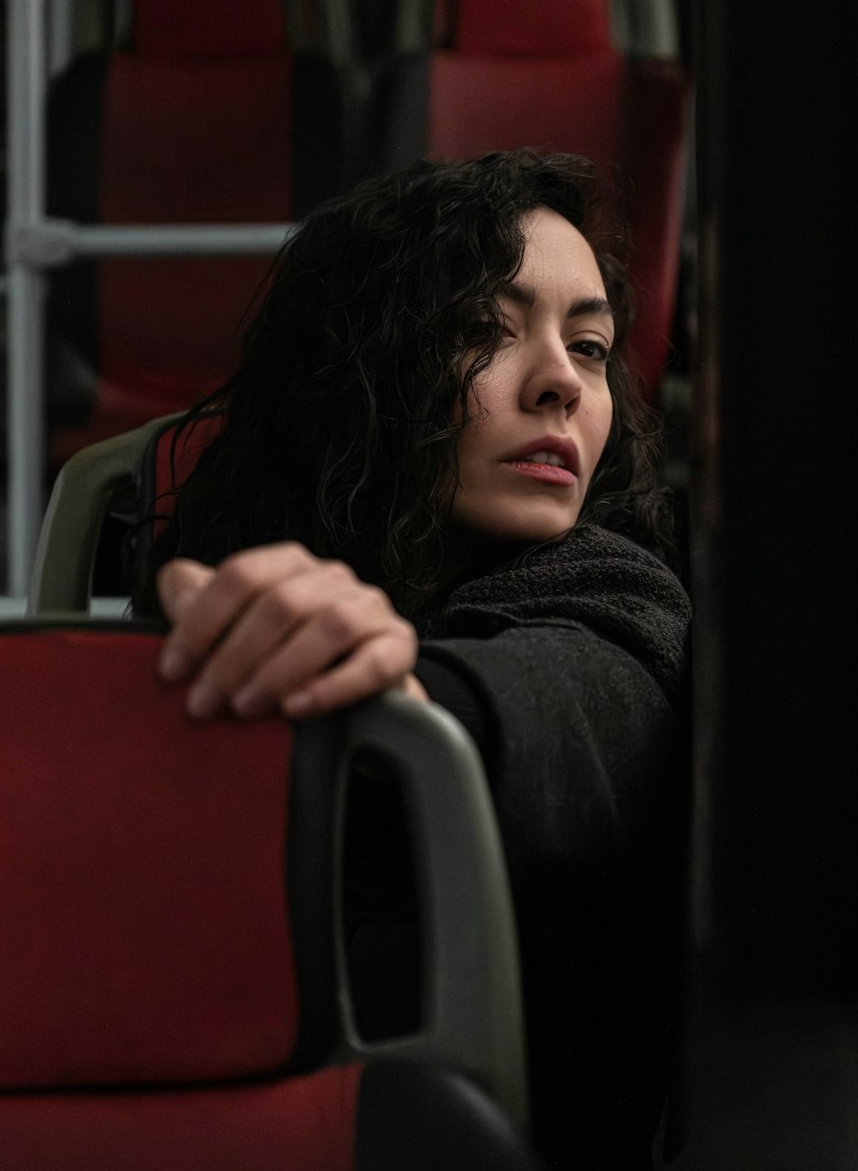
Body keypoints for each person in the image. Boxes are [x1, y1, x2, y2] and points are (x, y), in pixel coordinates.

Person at [134, 150, 691, 1170]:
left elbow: (560, 721)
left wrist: (396, 690)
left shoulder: (621, 598)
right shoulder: (213, 584)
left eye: (592, 346)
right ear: (363, 361)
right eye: (483, 330)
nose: (562, 383)